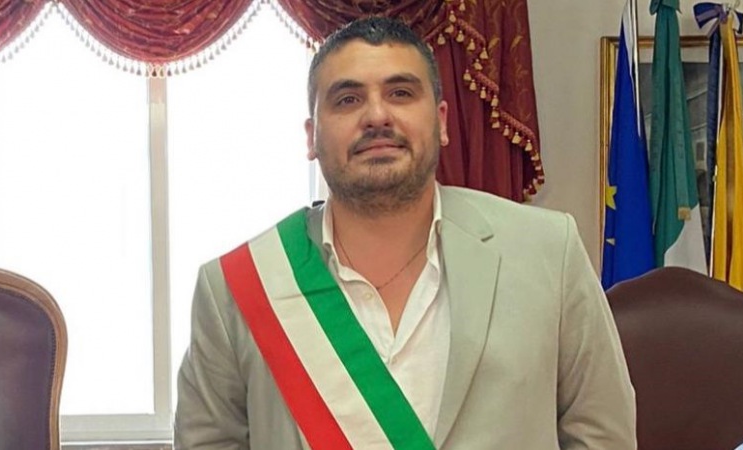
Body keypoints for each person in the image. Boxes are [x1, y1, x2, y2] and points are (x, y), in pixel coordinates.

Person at [174, 16, 636, 449]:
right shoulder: (237, 287)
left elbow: (602, 435)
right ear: (311, 136)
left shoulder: (548, 252)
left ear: (442, 122)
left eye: (400, 93)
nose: (377, 116)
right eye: (347, 99)